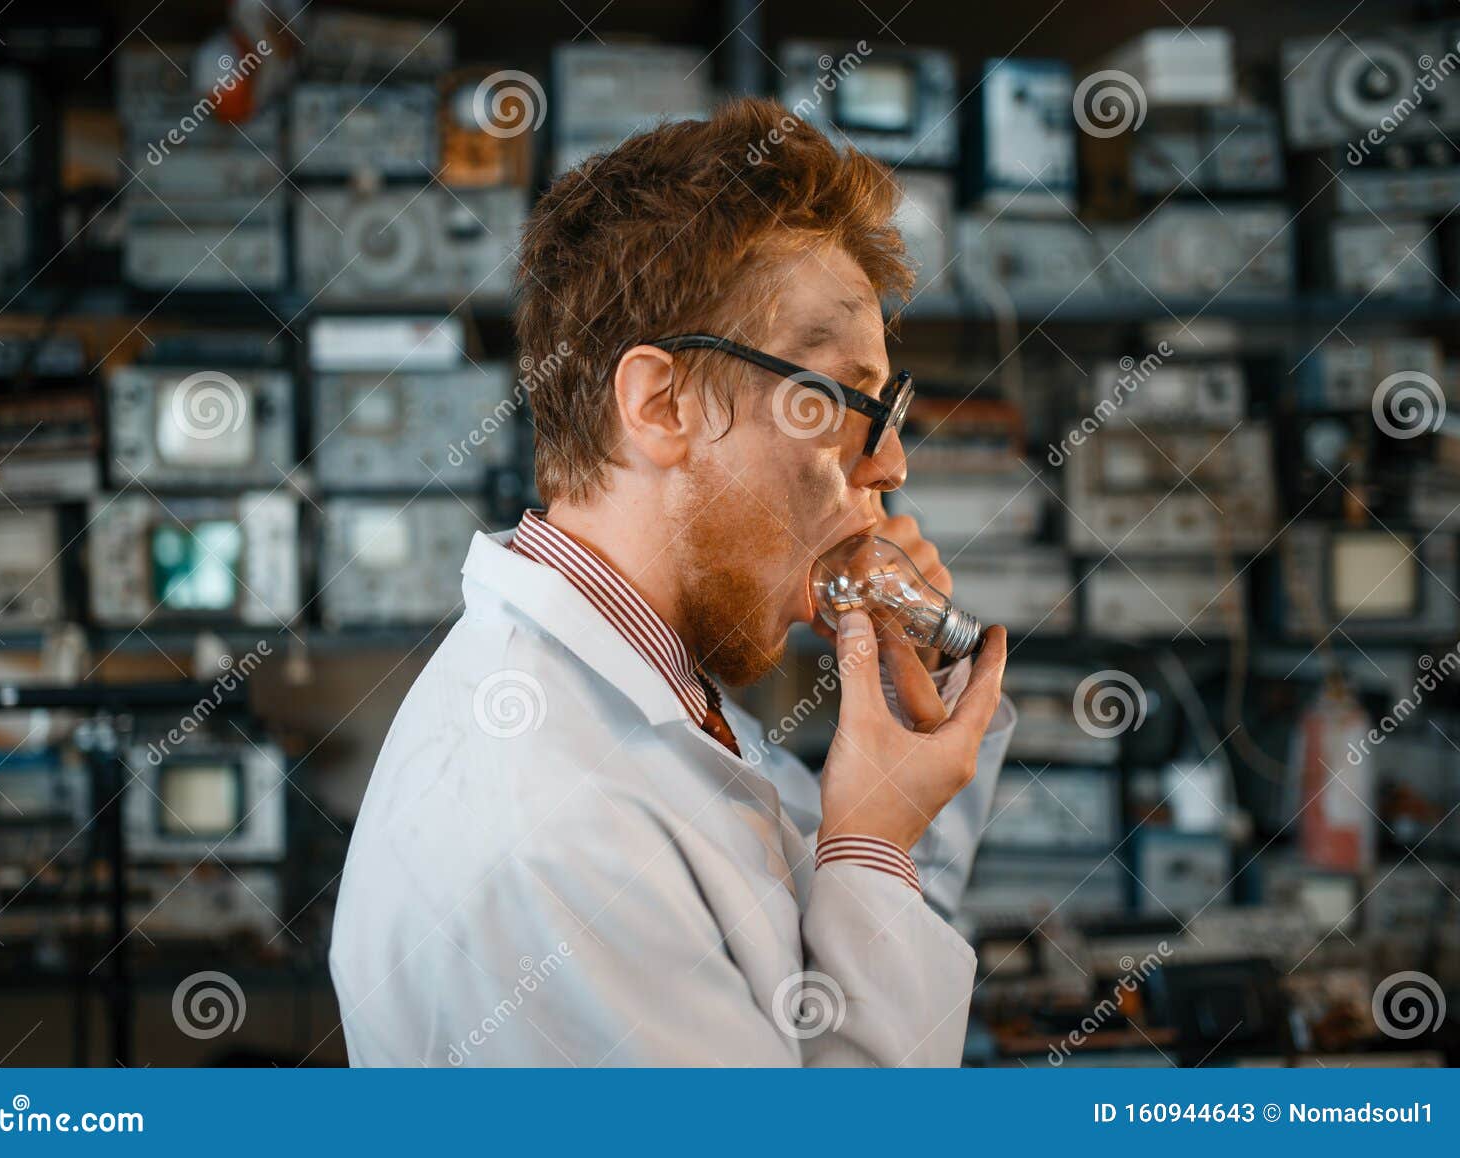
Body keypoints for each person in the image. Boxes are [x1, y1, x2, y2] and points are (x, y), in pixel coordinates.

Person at [331, 97, 1016, 1066]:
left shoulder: (657, 695)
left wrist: (889, 806)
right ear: (662, 404)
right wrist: (869, 846)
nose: (892, 461)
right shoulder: (554, 836)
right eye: (847, 401)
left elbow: (836, 990)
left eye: (890, 406)